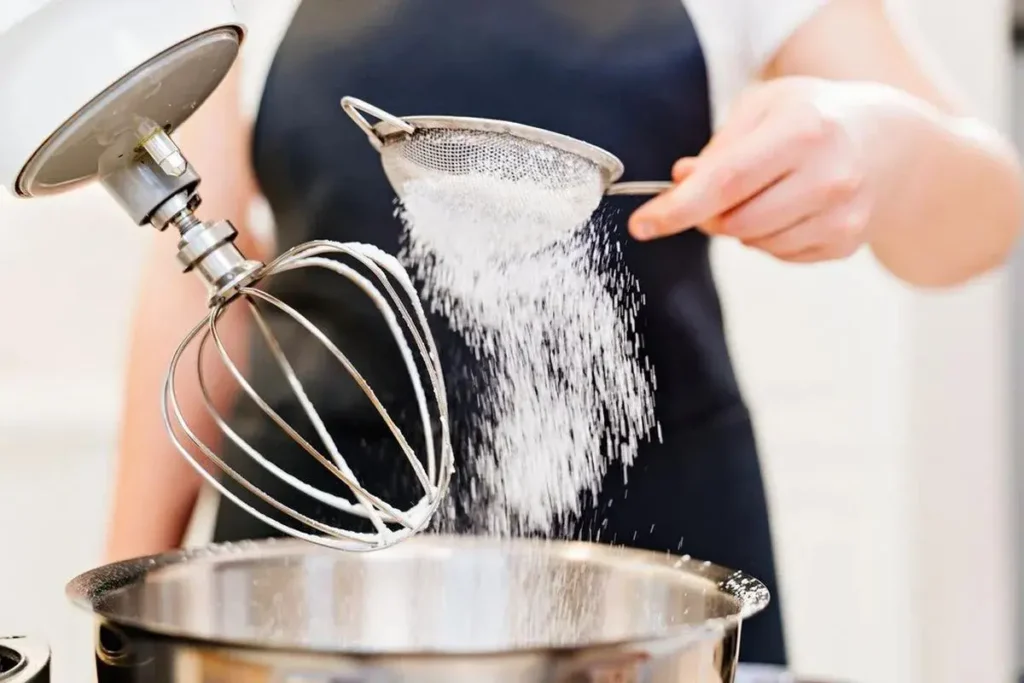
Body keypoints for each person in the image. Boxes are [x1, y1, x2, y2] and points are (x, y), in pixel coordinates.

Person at [104, 0, 1023, 667]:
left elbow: (989, 216)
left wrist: (877, 144)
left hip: (657, 577)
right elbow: (194, 282)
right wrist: (119, 608)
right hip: (308, 560)